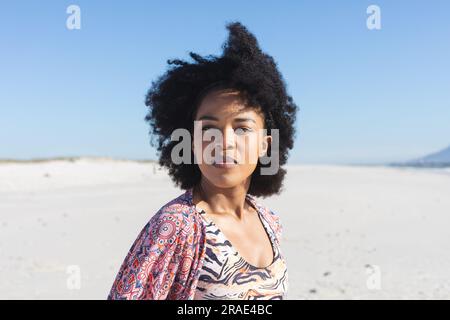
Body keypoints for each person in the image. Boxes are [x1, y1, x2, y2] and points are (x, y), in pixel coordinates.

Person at [108, 21, 298, 300]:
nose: (225, 142)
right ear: (191, 141)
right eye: (209, 128)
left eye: (242, 128)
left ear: (264, 145)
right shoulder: (177, 226)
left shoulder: (270, 221)